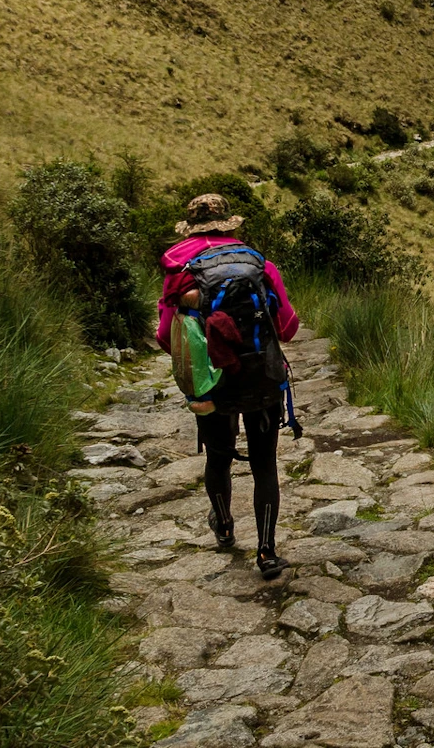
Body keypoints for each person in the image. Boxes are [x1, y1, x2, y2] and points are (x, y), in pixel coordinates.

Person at [156, 193, 300, 579]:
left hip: (212, 381)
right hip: (262, 377)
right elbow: (287, 326)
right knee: (264, 463)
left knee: (218, 457)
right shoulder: (259, 264)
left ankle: (223, 525)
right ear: (230, 225)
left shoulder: (180, 272)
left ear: (191, 227)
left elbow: (163, 336)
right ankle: (267, 552)